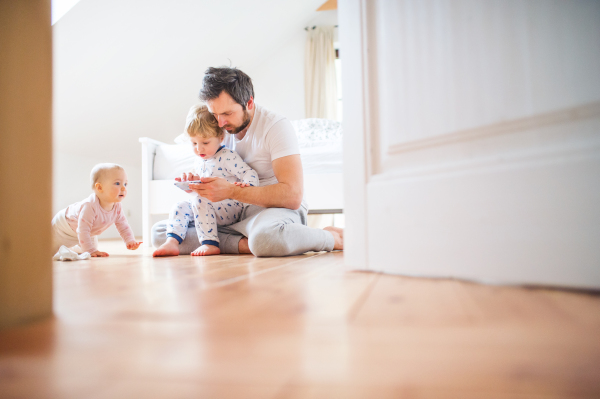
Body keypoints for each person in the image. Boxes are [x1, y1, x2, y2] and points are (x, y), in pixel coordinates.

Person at [151, 66, 343, 256]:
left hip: (272, 211)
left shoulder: (276, 127)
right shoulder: (219, 129)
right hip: (231, 213)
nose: (219, 123)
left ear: (249, 103)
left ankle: (330, 237)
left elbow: (293, 197)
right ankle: (245, 243)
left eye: (227, 114)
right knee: (161, 233)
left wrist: (232, 191)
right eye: (215, 114)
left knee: (265, 237)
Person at [153, 104, 259, 257]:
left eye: (205, 143)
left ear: (220, 137)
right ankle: (172, 242)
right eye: (194, 143)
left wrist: (247, 185)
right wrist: (191, 183)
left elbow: (249, 172)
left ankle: (210, 243)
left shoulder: (227, 156)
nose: (199, 149)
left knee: (200, 201)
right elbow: (200, 188)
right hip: (207, 206)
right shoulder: (199, 160)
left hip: (230, 206)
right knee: (180, 206)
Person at [51, 163, 142, 257]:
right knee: (48, 252)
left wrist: (130, 240)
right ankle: (66, 247)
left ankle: (73, 249)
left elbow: (123, 225)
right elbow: (83, 230)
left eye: (125, 184)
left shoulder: (117, 207)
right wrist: (90, 250)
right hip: (63, 227)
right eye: (117, 183)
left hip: (86, 231)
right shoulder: (90, 206)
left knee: (92, 248)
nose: (123, 188)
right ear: (99, 187)